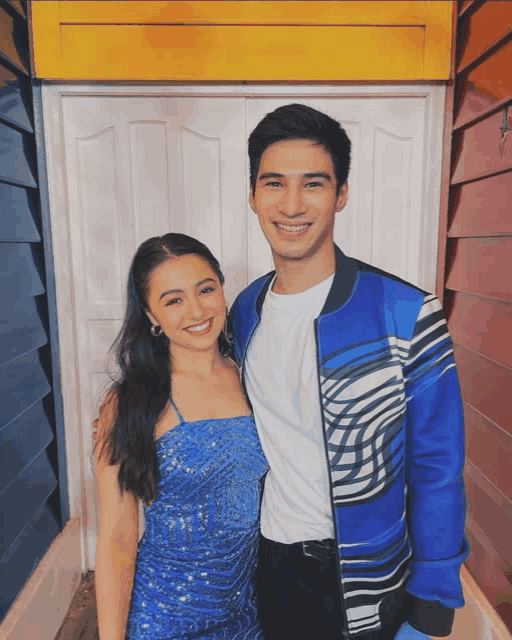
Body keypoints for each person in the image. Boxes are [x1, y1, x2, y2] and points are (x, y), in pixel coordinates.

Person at [228, 104, 468, 640]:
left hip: (366, 578)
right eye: (274, 184)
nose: (291, 205)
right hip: (266, 564)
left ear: (340, 194)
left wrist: (434, 601)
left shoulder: (406, 314)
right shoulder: (244, 311)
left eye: (313, 184)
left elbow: (438, 464)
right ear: (252, 196)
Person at [94, 233, 268, 639]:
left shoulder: (250, 373)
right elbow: (116, 540)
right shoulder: (131, 402)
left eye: (205, 289)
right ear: (151, 315)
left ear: (222, 290)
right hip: (165, 619)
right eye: (173, 300)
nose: (196, 310)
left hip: (246, 615)